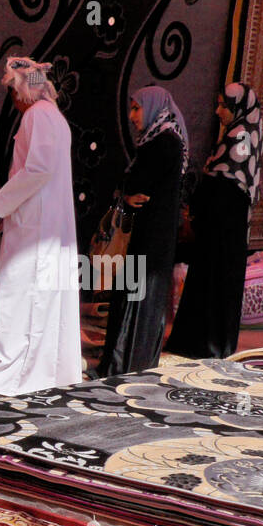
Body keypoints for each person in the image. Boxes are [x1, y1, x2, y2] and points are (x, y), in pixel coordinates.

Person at [0, 57, 82, 397]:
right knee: (39, 298)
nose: (12, 100)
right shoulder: (54, 117)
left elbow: (37, 170)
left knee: (19, 297)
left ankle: (9, 377)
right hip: (42, 221)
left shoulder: (38, 116)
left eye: (13, 91)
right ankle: (41, 372)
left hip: (37, 226)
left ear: (24, 91)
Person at [165, 83, 263, 358]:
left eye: (223, 106)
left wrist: (199, 205)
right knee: (212, 282)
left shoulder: (241, 136)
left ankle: (206, 343)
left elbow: (229, 180)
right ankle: (204, 341)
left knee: (214, 283)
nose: (218, 111)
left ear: (237, 109)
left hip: (223, 228)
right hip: (221, 228)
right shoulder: (240, 133)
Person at [97, 85, 188, 377]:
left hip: (149, 235)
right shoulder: (162, 139)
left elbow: (139, 187)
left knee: (136, 298)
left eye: (137, 108)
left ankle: (124, 364)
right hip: (153, 234)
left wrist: (124, 191)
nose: (133, 116)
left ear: (153, 107)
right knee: (139, 297)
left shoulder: (161, 143)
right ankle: (131, 363)